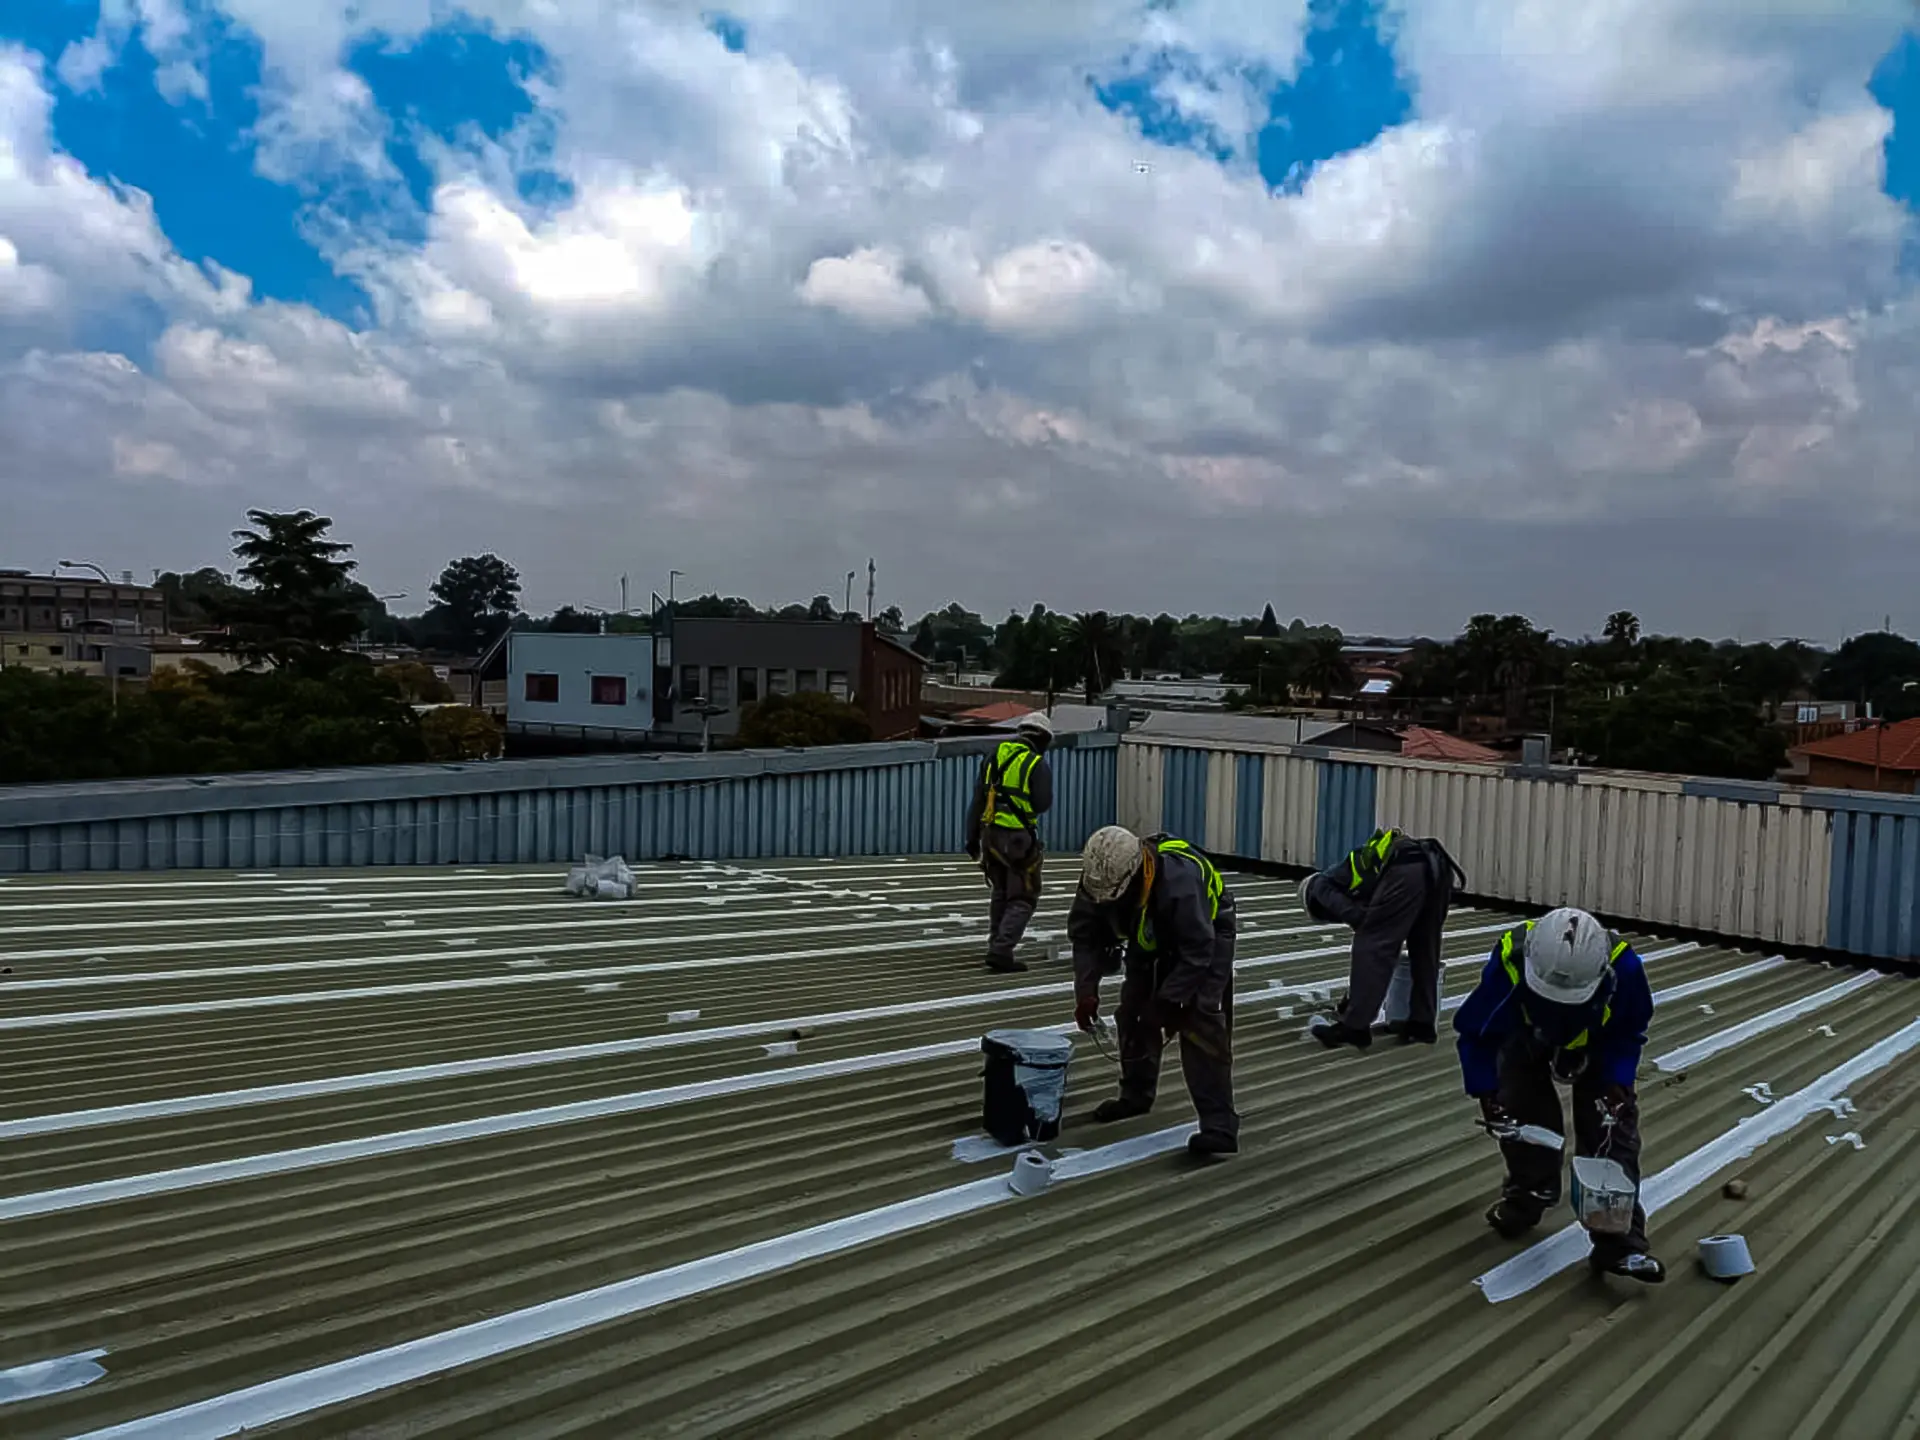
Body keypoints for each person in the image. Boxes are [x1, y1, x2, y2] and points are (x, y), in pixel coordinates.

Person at [1454, 907, 1666, 1283]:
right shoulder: (1511, 960)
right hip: (1525, 1038)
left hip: (1597, 1044)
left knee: (1610, 1132)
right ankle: (1528, 1197)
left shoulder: (1624, 968)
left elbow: (1628, 1031)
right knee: (1522, 1113)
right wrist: (1487, 1091)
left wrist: (1617, 1079)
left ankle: (1619, 1243)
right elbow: (1477, 1033)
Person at [1069, 824, 1240, 1158]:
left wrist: (1169, 1000)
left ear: (1135, 875)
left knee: (1200, 1020)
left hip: (1206, 934)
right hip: (1148, 932)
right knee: (1132, 1012)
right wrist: (1086, 991)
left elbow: (1197, 951)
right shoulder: (1097, 879)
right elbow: (1085, 936)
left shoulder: (1179, 884)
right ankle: (1136, 1095)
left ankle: (1219, 1126)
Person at [1301, 827, 1466, 1050]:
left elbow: (1361, 920)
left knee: (1371, 945)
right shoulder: (1355, 873)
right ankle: (1422, 1024)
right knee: (1425, 948)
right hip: (1437, 867)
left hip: (1407, 870)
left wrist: (1355, 1008)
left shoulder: (1320, 886)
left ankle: (1354, 1028)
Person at [964, 712, 1054, 973]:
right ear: (1044, 739)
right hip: (1017, 840)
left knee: (1001, 891)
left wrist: (971, 838)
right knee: (1023, 896)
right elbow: (1042, 803)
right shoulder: (1036, 763)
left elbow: (978, 799)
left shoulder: (995, 756)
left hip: (989, 836)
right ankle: (1002, 950)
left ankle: (996, 944)